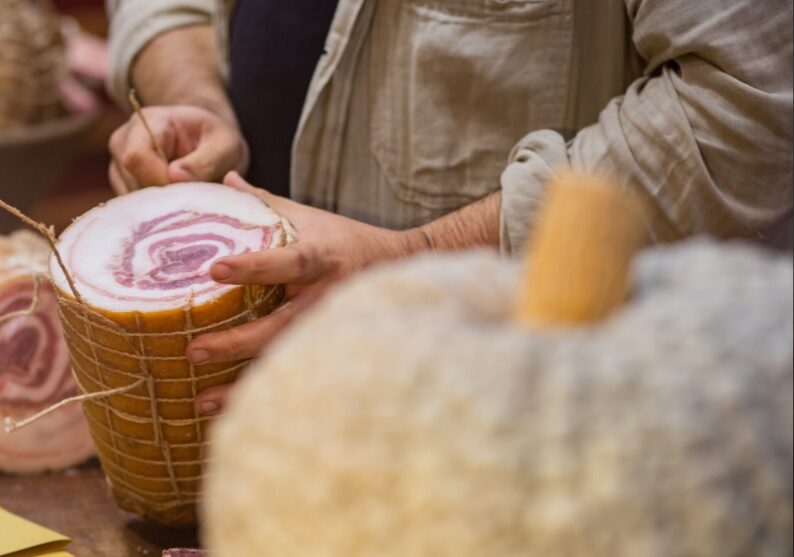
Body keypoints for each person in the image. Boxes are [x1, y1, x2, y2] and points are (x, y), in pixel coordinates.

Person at [106, 0, 793, 414]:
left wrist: (416, 256)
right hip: (277, 428)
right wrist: (193, 95)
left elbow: (748, 114)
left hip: (565, 430)